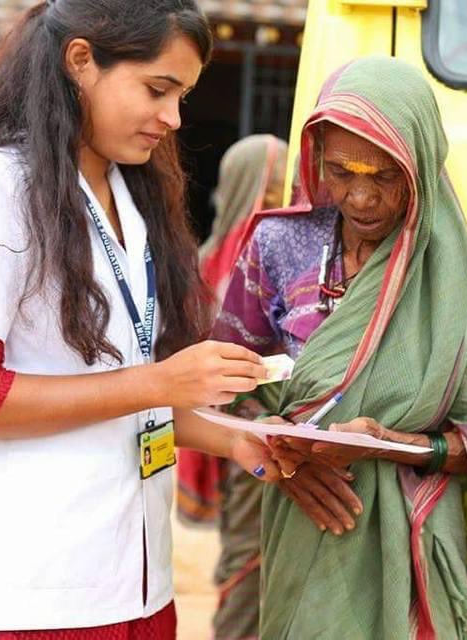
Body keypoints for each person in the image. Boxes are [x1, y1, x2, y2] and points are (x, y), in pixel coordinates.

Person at [0, 1, 281, 638]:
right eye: (158, 89)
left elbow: (125, 392)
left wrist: (235, 440)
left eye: (182, 95)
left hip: (137, 592)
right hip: (25, 598)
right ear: (80, 61)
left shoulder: (130, 194)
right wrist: (162, 383)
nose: (173, 117)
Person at [211, 56, 467, 639]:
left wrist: (389, 445)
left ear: (422, 166)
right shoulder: (278, 246)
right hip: (296, 529)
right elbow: (226, 390)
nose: (359, 198)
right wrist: (282, 462)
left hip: (410, 550)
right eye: (340, 172)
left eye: (384, 177)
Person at [175, 134, 288, 640]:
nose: (286, 193)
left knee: (250, 550)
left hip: (226, 425)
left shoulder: (209, 256)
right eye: (275, 183)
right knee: (252, 554)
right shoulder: (252, 252)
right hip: (250, 427)